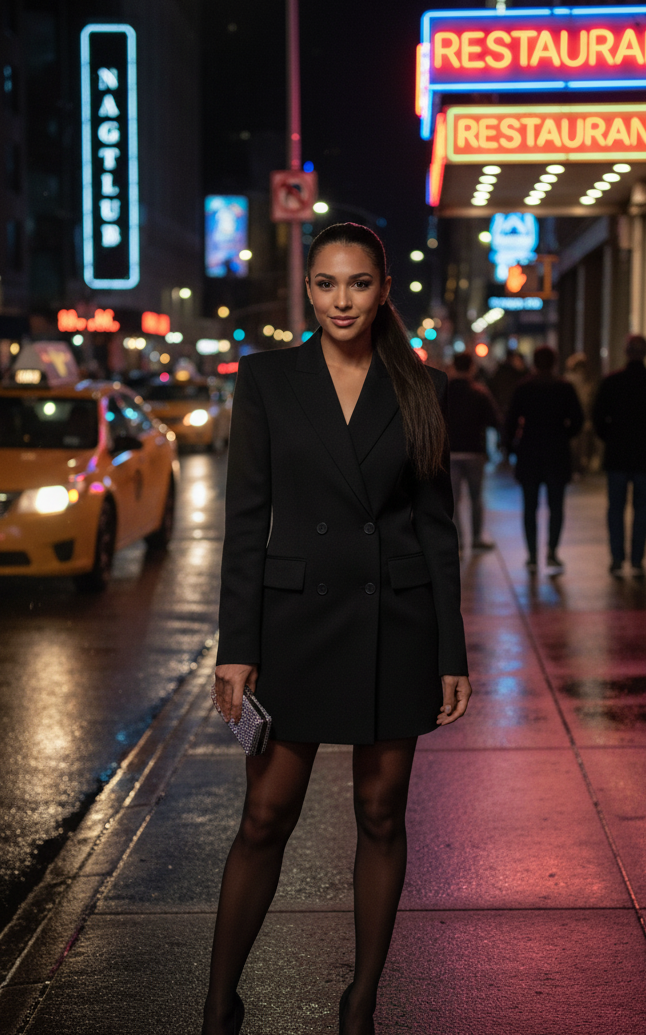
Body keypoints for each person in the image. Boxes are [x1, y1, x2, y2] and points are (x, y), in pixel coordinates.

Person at [204, 223, 472, 1035]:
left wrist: (450, 650)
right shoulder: (267, 380)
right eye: (326, 285)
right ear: (308, 291)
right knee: (264, 816)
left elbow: (436, 526)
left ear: (384, 289)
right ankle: (219, 1002)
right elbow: (246, 519)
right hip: (293, 626)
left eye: (357, 284)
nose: (341, 300)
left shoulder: (417, 386)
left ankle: (362, 1001)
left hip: (395, 622)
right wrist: (237, 647)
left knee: (382, 814)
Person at [593, 334, 646, 577]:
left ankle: (617, 558)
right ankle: (638, 560)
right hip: (644, 454)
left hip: (617, 454)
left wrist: (609, 436)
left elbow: (598, 416)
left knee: (616, 509)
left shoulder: (612, 382)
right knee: (642, 509)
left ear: (626, 352)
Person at [504, 345, 584, 574]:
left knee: (530, 507)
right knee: (556, 506)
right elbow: (577, 420)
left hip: (529, 452)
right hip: (556, 452)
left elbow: (510, 421)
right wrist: (563, 435)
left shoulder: (524, 388)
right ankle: (552, 553)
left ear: (534, 363)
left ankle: (531, 556)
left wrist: (511, 448)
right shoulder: (565, 388)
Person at [448, 350, 502, 551]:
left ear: (453, 366)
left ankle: (458, 542)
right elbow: (495, 421)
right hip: (474, 451)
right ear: (471, 367)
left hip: (450, 452)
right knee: (476, 497)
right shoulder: (480, 392)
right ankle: (477, 538)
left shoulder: (442, 390)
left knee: (452, 501)